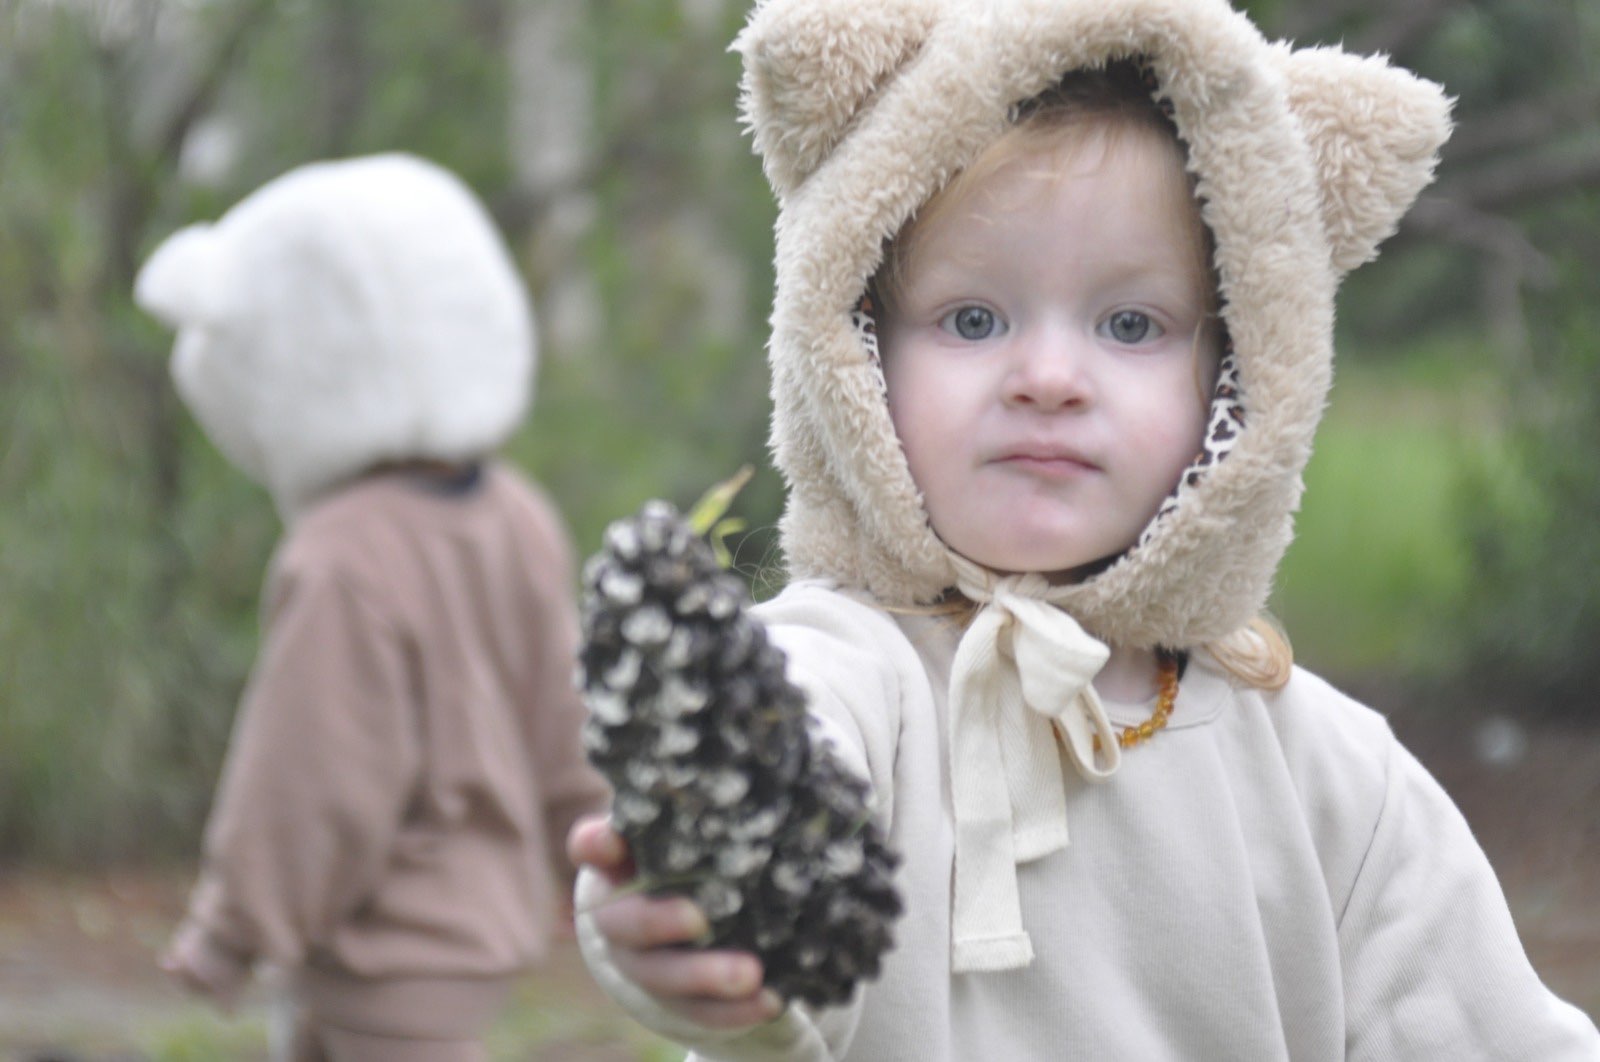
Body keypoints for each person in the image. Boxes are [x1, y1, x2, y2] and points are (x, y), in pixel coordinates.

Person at [567, 0, 1600, 1059]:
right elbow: (767, 781)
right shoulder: (843, 678)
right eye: (972, 319)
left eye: (1130, 325)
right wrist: (700, 897)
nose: (1050, 380)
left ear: (1236, 385)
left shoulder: (1328, 777)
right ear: (856, 354)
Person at [135, 153, 610, 1062]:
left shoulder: (342, 554)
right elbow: (566, 711)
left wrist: (232, 928)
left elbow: (312, 772)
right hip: (478, 929)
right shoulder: (515, 513)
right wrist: (596, 841)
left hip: (386, 934)